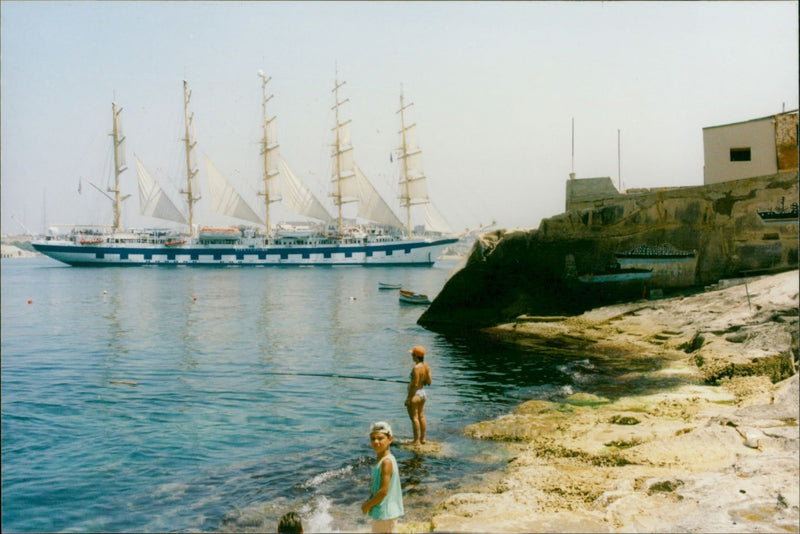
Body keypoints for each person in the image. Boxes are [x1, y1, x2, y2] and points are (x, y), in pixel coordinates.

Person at [361, 421, 404, 533]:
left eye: (380, 438)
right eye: (373, 438)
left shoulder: (387, 462)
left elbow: (383, 491)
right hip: (383, 511)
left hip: (386, 513)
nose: (376, 441)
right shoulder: (381, 460)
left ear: (390, 439)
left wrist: (367, 505)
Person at [405, 345, 432, 446]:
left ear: (415, 356)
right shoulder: (426, 366)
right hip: (423, 393)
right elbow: (429, 382)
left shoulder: (416, 368)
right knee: (421, 416)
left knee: (414, 418)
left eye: (412, 354)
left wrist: (408, 399)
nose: (411, 356)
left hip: (415, 394)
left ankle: (416, 441)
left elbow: (415, 385)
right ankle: (423, 439)